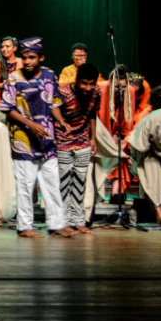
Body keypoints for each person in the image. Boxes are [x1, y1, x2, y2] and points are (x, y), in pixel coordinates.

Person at [0, 37, 75, 238]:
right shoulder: (14, 78)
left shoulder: (50, 74)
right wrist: (31, 124)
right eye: (24, 58)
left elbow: (55, 101)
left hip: (46, 138)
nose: (27, 61)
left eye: (31, 57)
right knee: (26, 184)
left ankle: (56, 224)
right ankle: (24, 226)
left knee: (52, 183)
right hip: (23, 139)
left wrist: (61, 122)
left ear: (41, 57)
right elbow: (7, 108)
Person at [54, 63, 102, 234]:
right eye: (84, 83)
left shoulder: (96, 92)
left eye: (91, 83)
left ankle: (78, 220)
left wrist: (93, 139)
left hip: (82, 139)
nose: (88, 88)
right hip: (63, 140)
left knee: (80, 182)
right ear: (77, 80)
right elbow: (53, 108)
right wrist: (61, 123)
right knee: (64, 182)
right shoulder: (63, 92)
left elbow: (92, 114)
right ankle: (63, 220)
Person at [98, 65, 136, 204]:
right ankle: (97, 194)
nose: (120, 91)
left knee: (121, 151)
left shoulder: (130, 91)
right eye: (116, 87)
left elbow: (128, 117)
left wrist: (122, 138)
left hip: (117, 130)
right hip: (100, 130)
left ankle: (116, 192)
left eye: (123, 87)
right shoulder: (101, 88)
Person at [0, 37, 22, 107]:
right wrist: (2, 85)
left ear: (15, 48)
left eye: (7, 46)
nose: (4, 49)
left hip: (19, 103)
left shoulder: (22, 63)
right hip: (0, 103)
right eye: (2, 47)